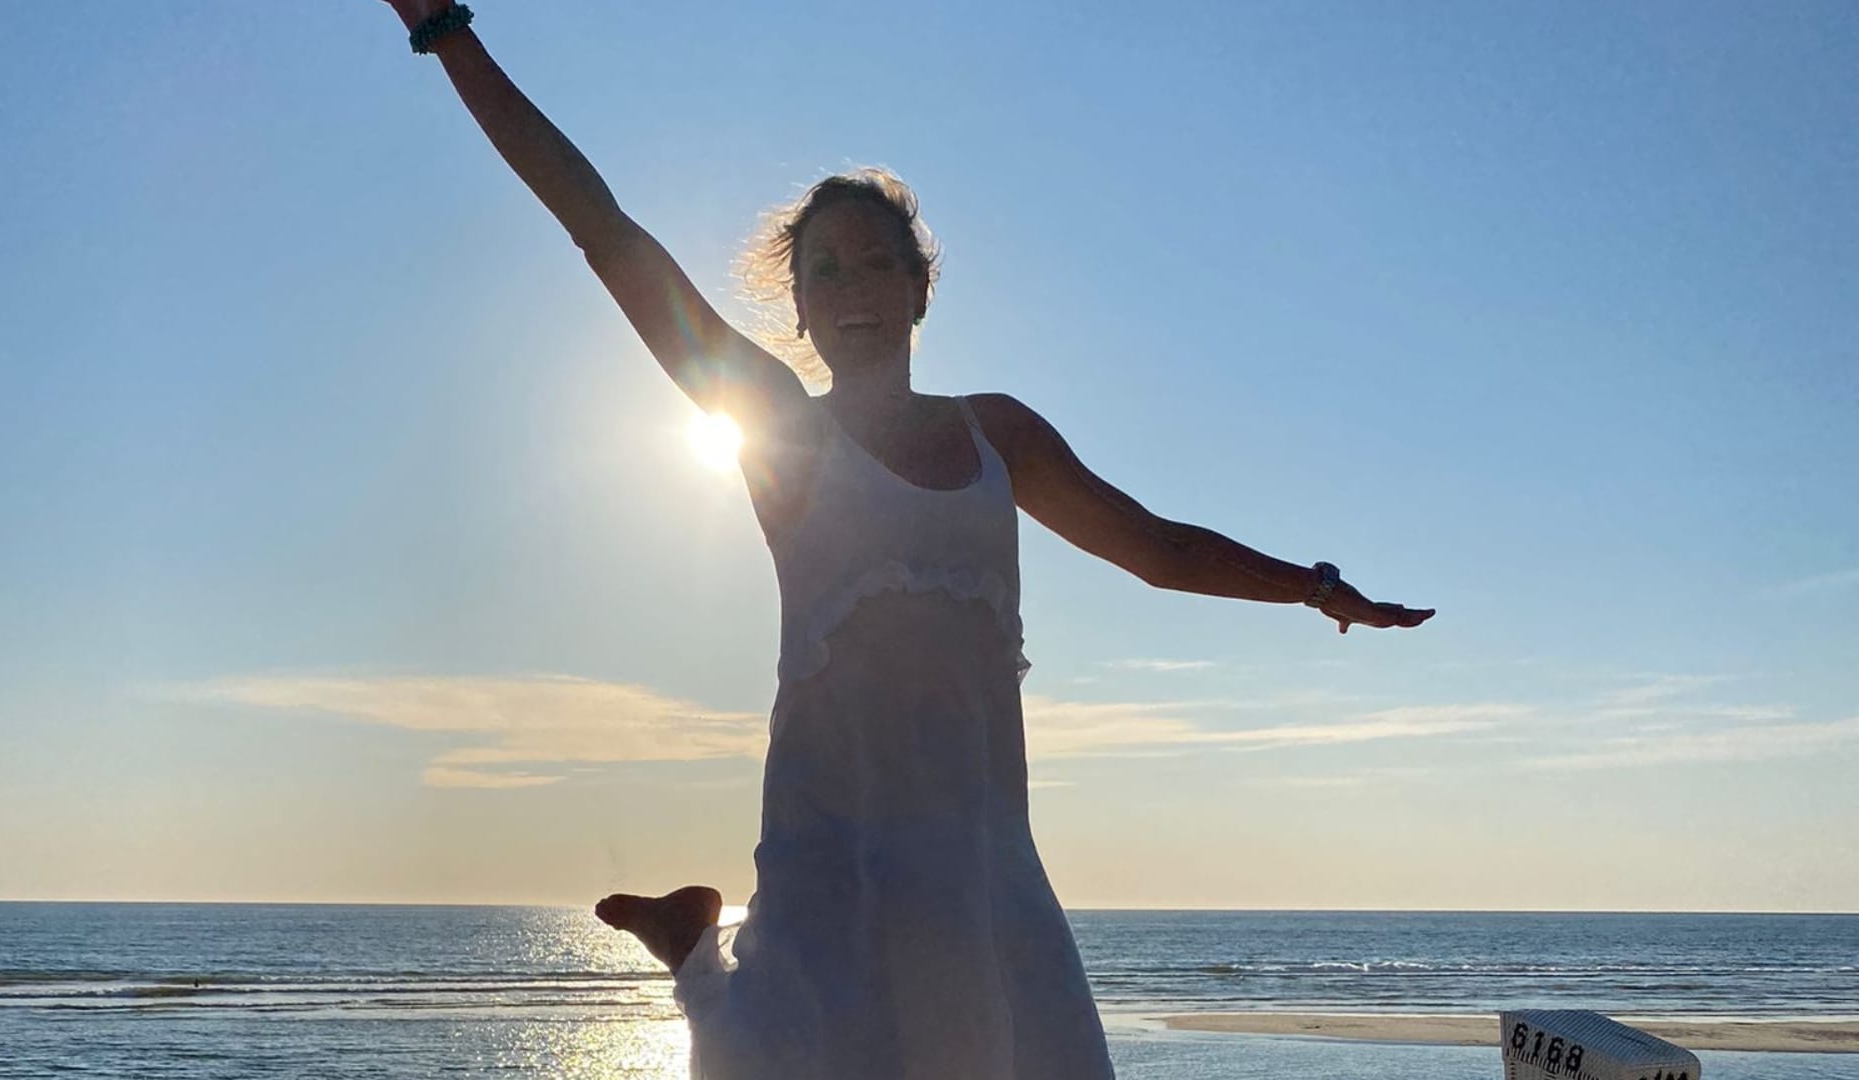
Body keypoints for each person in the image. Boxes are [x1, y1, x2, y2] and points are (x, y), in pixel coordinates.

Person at [376, 4, 1435, 1077]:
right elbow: (604, 230)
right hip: (836, 845)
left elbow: (1157, 549)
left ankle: (693, 941)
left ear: (920, 284)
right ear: (796, 306)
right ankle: (698, 951)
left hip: (984, 866)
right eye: (822, 272)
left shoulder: (998, 433)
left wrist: (1312, 586)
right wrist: (445, 30)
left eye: (873, 263)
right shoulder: (780, 429)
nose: (851, 289)